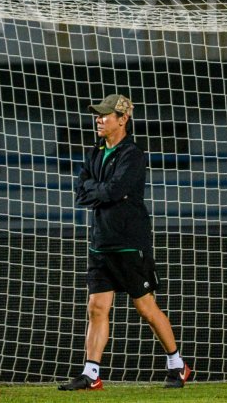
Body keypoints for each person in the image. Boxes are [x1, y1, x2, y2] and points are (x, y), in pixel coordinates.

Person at [59, 93, 192, 391]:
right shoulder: (94, 152)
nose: (99, 119)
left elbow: (115, 190)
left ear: (123, 119)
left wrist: (100, 190)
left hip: (130, 243)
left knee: (145, 308)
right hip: (101, 243)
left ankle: (177, 364)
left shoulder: (132, 154)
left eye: (105, 115)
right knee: (96, 307)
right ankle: (91, 374)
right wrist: (101, 190)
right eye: (98, 114)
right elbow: (82, 193)